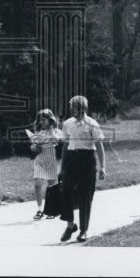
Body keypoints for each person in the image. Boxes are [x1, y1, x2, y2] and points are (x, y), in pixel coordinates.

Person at [59, 95, 106, 243]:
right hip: (71, 161)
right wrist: (62, 167)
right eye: (71, 107)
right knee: (66, 192)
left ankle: (83, 230)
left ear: (82, 108)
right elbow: (65, 146)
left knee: (86, 196)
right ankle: (70, 225)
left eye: (73, 107)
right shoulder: (67, 124)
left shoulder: (92, 124)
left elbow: (99, 146)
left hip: (87, 161)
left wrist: (102, 167)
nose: (71, 110)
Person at [29, 108, 62, 219]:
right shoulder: (38, 132)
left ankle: (52, 210)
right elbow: (33, 146)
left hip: (50, 159)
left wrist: (52, 128)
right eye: (40, 120)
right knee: (37, 184)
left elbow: (55, 141)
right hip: (39, 160)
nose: (42, 122)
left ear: (50, 120)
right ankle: (39, 210)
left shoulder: (56, 131)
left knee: (52, 186)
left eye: (44, 120)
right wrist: (33, 147)